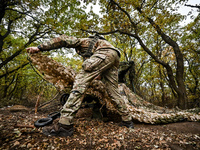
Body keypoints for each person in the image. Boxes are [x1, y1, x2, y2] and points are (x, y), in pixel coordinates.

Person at [26, 34, 134, 137]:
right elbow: (100, 64)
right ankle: (127, 121)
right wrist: (98, 74)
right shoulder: (98, 46)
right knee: (113, 92)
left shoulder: (82, 41)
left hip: (104, 54)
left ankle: (64, 125)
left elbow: (63, 40)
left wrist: (40, 47)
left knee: (80, 82)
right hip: (115, 56)